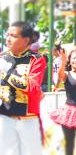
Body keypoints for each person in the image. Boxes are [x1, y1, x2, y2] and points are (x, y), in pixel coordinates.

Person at [0, 21, 47, 155]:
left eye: (13, 36)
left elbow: (31, 87)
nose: (8, 38)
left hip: (28, 119)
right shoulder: (2, 57)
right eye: (7, 34)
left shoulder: (36, 59)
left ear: (26, 40)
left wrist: (6, 73)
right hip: (4, 117)